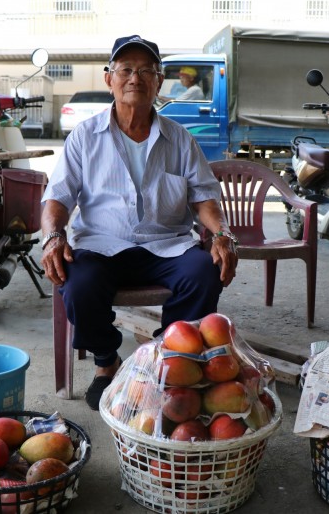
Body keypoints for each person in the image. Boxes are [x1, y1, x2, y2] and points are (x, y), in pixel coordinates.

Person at [40, 34, 238, 410]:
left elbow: (204, 196)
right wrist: (53, 237)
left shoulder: (179, 139)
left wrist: (222, 233)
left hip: (165, 246)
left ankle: (168, 359)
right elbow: (58, 197)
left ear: (159, 82)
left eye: (146, 71)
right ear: (108, 79)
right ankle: (106, 362)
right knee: (77, 282)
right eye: (126, 70)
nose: (135, 78)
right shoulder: (85, 136)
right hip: (102, 245)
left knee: (203, 271)